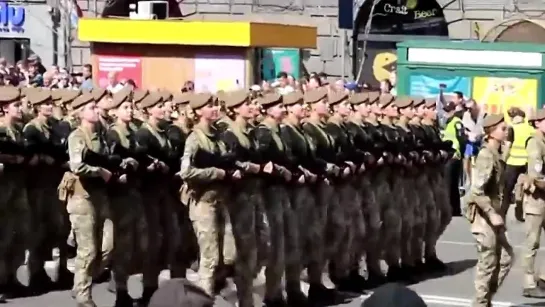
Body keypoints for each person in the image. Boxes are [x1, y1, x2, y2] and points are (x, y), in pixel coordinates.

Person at [179, 93, 236, 297]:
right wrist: (214, 172)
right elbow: (186, 171)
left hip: (221, 199)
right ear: (198, 111)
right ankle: (203, 297)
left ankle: (218, 287)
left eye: (215, 105)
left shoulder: (219, 134)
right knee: (210, 255)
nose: (215, 109)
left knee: (228, 253)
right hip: (203, 202)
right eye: (209, 106)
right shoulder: (195, 138)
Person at [65, 92, 115, 307]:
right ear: (80, 113)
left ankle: (82, 281)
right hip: (82, 197)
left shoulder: (102, 135)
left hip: (100, 196)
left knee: (109, 245)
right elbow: (77, 166)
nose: (96, 110)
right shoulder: (77, 136)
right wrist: (100, 171)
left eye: (96, 107)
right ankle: (84, 295)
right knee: (88, 249)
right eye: (91, 108)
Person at [465, 113, 513, 307]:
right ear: (492, 133)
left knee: (506, 257)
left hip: (494, 214)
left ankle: (485, 300)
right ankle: (480, 303)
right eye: (502, 128)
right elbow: (476, 190)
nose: (506, 130)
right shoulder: (486, 155)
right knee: (487, 262)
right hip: (484, 217)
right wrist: (492, 214)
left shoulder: (496, 153)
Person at [0, 87, 31, 302]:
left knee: (19, 235)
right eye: (16, 105)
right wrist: (12, 159)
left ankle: (11, 277)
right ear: (4, 108)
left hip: (18, 187)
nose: (20, 109)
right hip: (4, 188)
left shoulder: (18, 131)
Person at [520, 108, 545, 298]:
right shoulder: (535, 143)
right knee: (532, 242)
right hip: (536, 199)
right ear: (537, 122)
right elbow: (536, 175)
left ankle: (543, 278)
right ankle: (528, 283)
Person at [504, 107, 533, 222]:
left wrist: (502, 159)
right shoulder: (530, 129)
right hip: (526, 163)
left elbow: (508, 146)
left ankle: (503, 212)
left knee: (507, 189)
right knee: (523, 189)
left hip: (512, 162)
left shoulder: (512, 128)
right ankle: (520, 213)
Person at [442, 102, 465, 216]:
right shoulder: (446, 122)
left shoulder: (457, 122)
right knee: (450, 183)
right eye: (445, 111)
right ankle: (453, 208)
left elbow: (462, 139)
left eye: (449, 111)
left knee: (451, 183)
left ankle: (454, 208)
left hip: (455, 155)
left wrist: (460, 153)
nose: (446, 113)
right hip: (448, 154)